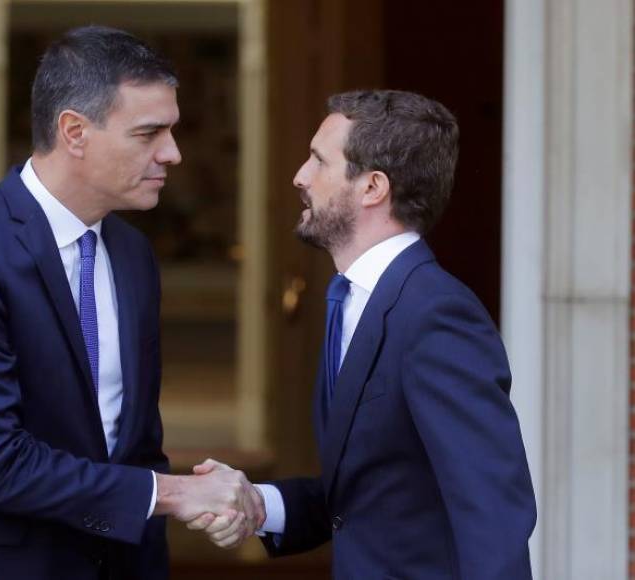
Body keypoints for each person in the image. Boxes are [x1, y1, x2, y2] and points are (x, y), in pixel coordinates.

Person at [0, 26, 262, 580]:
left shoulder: (133, 255)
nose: (173, 153)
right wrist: (178, 494)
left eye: (173, 131)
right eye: (148, 133)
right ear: (74, 132)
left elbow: (135, 446)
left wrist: (199, 506)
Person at [191, 89, 536, 579]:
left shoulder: (437, 314)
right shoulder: (352, 300)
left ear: (373, 187)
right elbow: (367, 497)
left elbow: (493, 510)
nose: (299, 176)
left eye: (318, 160)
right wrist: (260, 504)